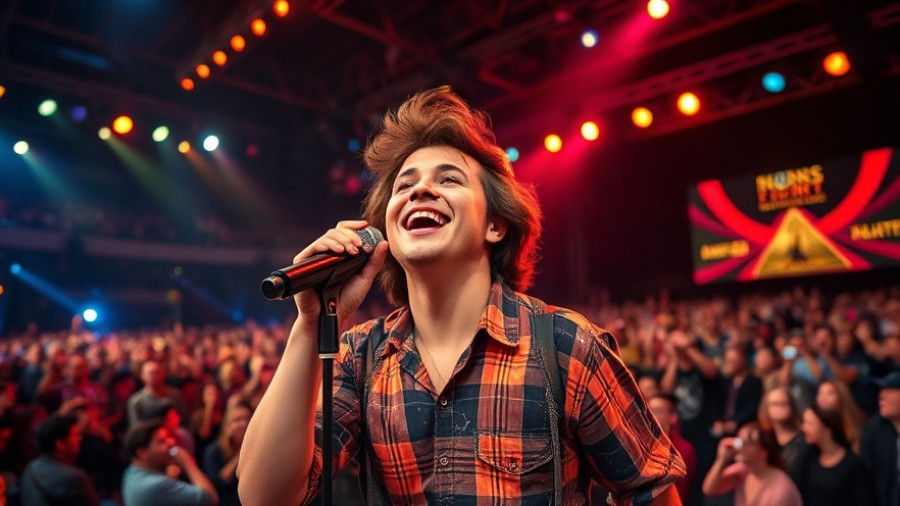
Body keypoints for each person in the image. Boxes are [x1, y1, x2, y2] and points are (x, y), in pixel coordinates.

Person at [237, 88, 686, 505]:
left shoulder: (567, 346)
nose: (420, 190)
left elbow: (650, 491)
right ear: (385, 233)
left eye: (448, 179)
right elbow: (264, 496)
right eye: (404, 185)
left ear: (495, 225)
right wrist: (311, 325)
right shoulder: (360, 358)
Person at [701, 421, 801, 506]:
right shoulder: (744, 470)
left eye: (749, 441)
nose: (740, 446)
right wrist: (721, 460)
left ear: (765, 451)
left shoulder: (781, 491)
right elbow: (710, 489)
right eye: (739, 440)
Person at [121, 419, 218, 506]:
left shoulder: (130, 472)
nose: (171, 443)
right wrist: (188, 463)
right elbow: (210, 499)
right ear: (142, 453)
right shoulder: (155, 485)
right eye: (162, 441)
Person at [794, 403, 872, 506]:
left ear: (827, 428)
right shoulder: (807, 458)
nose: (803, 428)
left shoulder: (853, 465)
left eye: (809, 423)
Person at [20, 413, 100, 506]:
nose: (79, 439)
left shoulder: (31, 467)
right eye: (74, 435)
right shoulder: (73, 478)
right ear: (60, 443)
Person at [860, 370, 900, 506]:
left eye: (889, 390)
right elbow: (866, 478)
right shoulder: (874, 429)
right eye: (881, 390)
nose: (881, 396)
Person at [648, 395, 697, 505]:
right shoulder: (640, 445)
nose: (651, 415)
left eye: (657, 411)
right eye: (649, 410)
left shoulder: (684, 449)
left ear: (673, 417)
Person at [202, 401, 252, 506]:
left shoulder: (256, 449)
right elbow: (219, 484)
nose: (244, 424)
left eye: (247, 419)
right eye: (238, 420)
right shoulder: (214, 451)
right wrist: (240, 454)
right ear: (228, 425)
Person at [757, 387, 805, 474]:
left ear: (792, 407)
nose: (780, 407)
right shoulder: (762, 439)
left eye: (784, 403)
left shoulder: (804, 440)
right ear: (766, 409)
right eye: (774, 404)